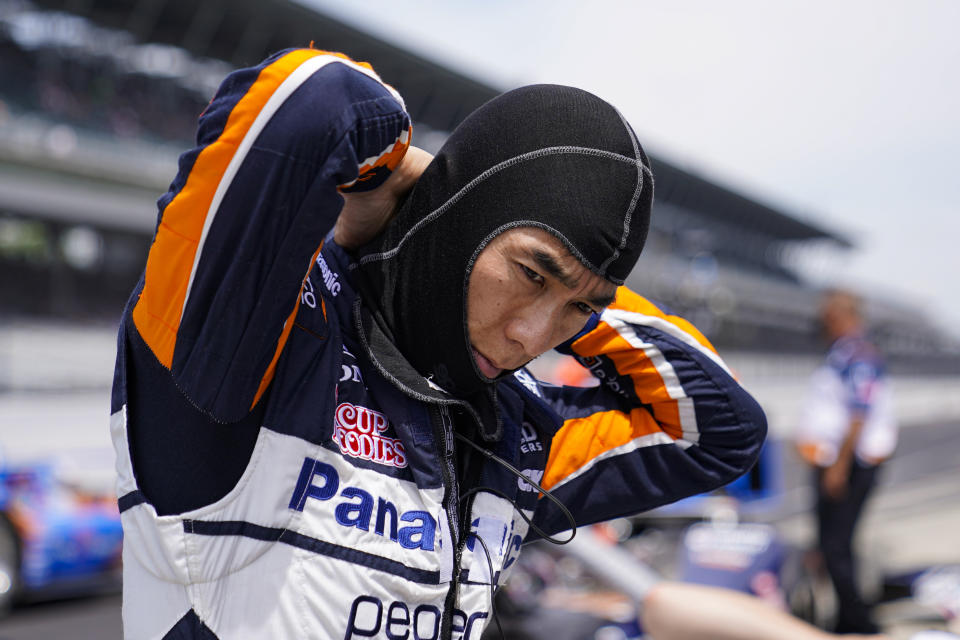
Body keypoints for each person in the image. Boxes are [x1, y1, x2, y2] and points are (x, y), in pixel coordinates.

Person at [110, 47, 767, 639]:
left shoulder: (513, 431)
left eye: (576, 311)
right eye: (531, 273)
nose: (530, 337)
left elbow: (720, 428)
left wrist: (588, 292)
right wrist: (410, 182)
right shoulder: (258, 338)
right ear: (460, 214)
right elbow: (315, 99)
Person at [795, 289, 898, 634]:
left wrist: (838, 467)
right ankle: (845, 616)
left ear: (843, 317)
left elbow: (859, 414)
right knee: (835, 544)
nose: (822, 324)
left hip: (847, 464)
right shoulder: (843, 353)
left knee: (834, 545)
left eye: (828, 318)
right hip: (838, 461)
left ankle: (858, 620)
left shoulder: (858, 354)